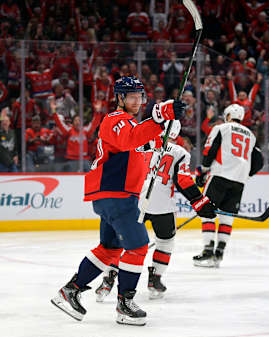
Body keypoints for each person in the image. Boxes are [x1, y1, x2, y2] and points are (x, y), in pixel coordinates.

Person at [51, 76, 185, 326]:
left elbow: (142, 141)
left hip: (115, 195)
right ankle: (125, 304)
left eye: (140, 97)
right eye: (132, 96)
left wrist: (165, 121)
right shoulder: (115, 120)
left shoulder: (132, 125)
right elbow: (130, 139)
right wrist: (160, 114)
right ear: (120, 98)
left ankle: (70, 291)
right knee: (138, 246)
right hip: (116, 193)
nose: (137, 101)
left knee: (110, 249)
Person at [93, 121, 217, 301]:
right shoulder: (180, 152)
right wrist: (200, 203)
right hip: (162, 205)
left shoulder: (139, 146)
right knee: (165, 242)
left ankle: (109, 275)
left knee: (123, 242)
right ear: (175, 133)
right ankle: (155, 279)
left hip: (135, 201)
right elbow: (183, 181)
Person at [194, 104, 263, 267]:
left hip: (219, 175)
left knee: (206, 212)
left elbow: (210, 149)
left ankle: (208, 252)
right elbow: (259, 161)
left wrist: (203, 170)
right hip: (239, 181)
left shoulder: (221, 128)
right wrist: (246, 173)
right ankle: (219, 254)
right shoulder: (251, 136)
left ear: (228, 115)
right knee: (227, 216)